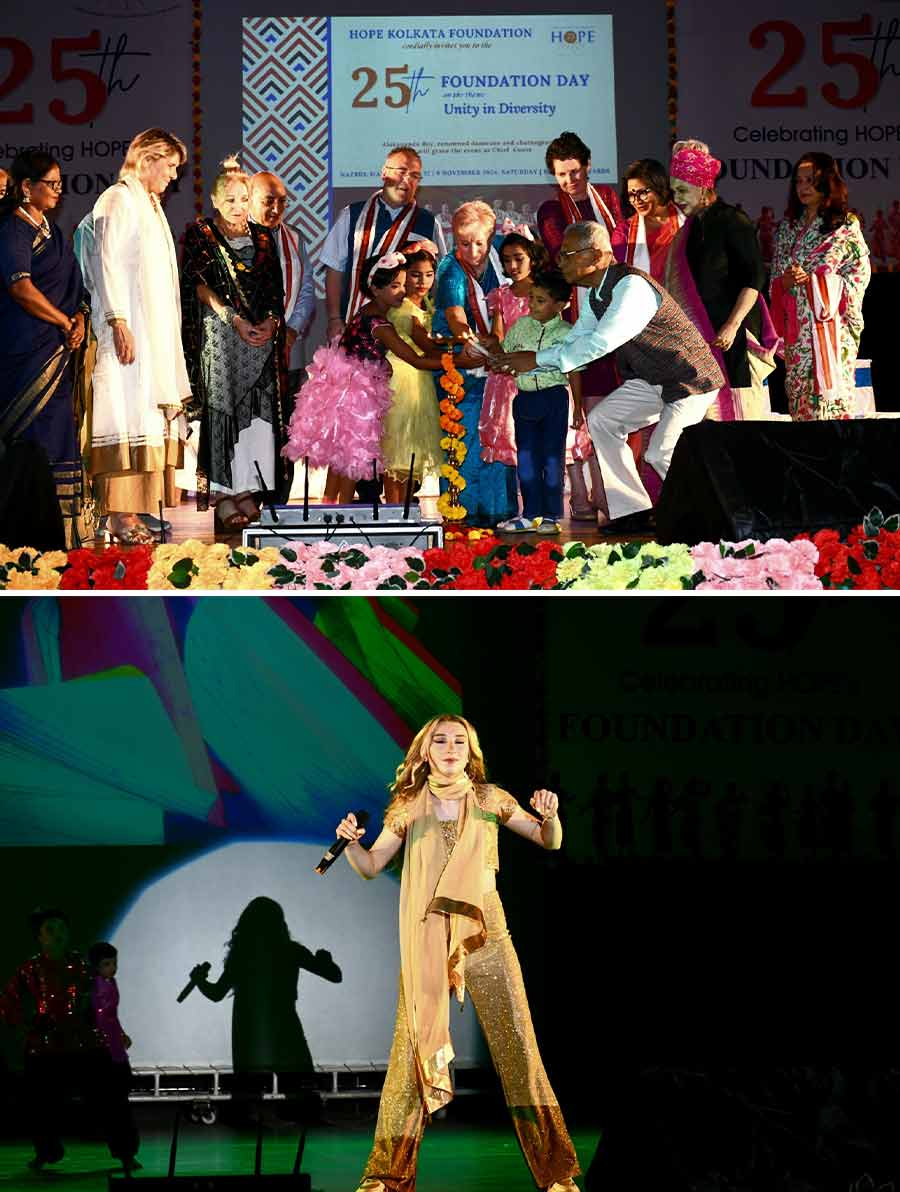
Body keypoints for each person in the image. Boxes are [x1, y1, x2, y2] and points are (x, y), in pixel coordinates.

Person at [334, 715, 580, 1192]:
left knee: (520, 1052)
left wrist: (551, 817)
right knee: (410, 1051)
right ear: (425, 751)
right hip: (427, 936)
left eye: (459, 741)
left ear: (472, 751)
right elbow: (370, 865)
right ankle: (385, 1176)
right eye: (440, 740)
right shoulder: (408, 806)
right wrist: (350, 844)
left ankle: (557, 1175)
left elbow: (548, 841)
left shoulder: (490, 799)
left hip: (487, 935)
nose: (450, 748)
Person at [493, 220, 724, 536]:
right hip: (652, 379)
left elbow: (600, 343)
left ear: (594, 256)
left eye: (566, 254)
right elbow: (579, 338)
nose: (559, 261)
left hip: (689, 379)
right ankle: (634, 511)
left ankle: (714, 516)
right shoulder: (593, 292)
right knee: (602, 420)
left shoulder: (632, 288)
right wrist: (525, 360)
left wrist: (536, 359)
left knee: (661, 451)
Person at [85, 128, 190, 544]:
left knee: (146, 415)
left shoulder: (149, 204)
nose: (173, 177)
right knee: (125, 414)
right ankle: (119, 514)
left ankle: (140, 507)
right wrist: (118, 320)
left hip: (153, 335)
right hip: (127, 333)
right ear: (148, 159)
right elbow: (105, 261)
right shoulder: (118, 199)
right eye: (170, 167)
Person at [283, 252, 445, 502]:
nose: (403, 291)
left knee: (342, 459)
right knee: (352, 460)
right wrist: (456, 361)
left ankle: (329, 506)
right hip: (356, 397)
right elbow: (415, 359)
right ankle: (343, 514)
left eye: (403, 284)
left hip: (344, 390)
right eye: (395, 286)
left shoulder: (366, 311)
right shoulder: (378, 323)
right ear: (375, 288)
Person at [181, 157, 289, 529]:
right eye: (229, 200)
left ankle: (248, 490)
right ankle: (225, 494)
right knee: (224, 413)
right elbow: (197, 286)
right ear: (214, 200)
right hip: (222, 336)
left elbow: (276, 289)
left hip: (258, 340)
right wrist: (235, 319)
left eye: (244, 199)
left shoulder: (263, 237)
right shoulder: (201, 234)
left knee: (256, 415)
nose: (238, 206)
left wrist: (272, 323)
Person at [0, 150, 88, 547]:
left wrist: (80, 320)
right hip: (25, 352)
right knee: (32, 438)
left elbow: (75, 287)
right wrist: (61, 320)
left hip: (57, 349)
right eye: (50, 184)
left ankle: (62, 535)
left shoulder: (52, 231)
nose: (58, 190)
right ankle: (28, 534)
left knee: (59, 433)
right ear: (26, 188)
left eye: (59, 183)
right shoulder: (13, 230)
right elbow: (20, 288)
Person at [0, 909, 129, 1173]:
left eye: (61, 929)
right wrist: (22, 1027)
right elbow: (8, 1000)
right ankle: (46, 1152)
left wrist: (116, 1033)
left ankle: (125, 1152)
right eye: (50, 929)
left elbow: (103, 1004)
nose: (57, 934)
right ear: (39, 936)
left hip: (84, 1044)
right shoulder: (30, 968)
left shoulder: (82, 966)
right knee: (40, 1104)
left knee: (109, 1099)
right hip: (45, 1046)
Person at [538, 131, 622, 522]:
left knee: (606, 407)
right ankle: (581, 499)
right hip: (576, 314)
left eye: (574, 171)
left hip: (616, 309)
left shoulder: (610, 197)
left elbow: (622, 243)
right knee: (575, 408)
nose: (569, 180)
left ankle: (610, 494)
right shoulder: (550, 211)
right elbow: (563, 255)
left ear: (587, 166)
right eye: (561, 174)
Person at [187, 897, 341, 1109]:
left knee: (249, 1094)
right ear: (279, 923)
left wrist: (199, 980)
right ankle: (304, 1119)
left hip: (248, 1028)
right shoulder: (291, 950)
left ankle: (247, 1124)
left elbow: (216, 993)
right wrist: (325, 960)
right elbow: (334, 975)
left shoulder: (242, 956)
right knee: (300, 1089)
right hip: (284, 1024)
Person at [668, 139, 773, 421]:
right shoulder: (690, 232)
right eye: (673, 190)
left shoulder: (732, 221)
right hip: (705, 342)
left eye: (682, 190)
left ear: (703, 187)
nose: (676, 197)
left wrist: (731, 325)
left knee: (742, 420)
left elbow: (754, 277)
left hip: (734, 338)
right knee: (710, 425)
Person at [432, 201, 518, 526]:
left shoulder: (500, 256)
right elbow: (455, 317)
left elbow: (507, 304)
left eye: (478, 242)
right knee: (465, 435)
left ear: (490, 236)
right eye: (464, 243)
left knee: (497, 432)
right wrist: (471, 341)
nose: (472, 250)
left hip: (494, 364)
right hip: (460, 364)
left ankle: (499, 511)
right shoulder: (448, 268)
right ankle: (461, 514)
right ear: (454, 238)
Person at [770, 154, 871, 421]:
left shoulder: (845, 225)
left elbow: (860, 276)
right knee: (802, 411)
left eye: (810, 181)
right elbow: (774, 283)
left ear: (827, 183)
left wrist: (819, 282)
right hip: (798, 337)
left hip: (832, 334)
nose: (803, 188)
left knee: (833, 411)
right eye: (798, 181)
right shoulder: (786, 230)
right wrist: (786, 283)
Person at [319, 146, 446, 342]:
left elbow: (438, 281)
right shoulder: (351, 215)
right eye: (401, 172)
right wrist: (334, 318)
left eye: (414, 176)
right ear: (384, 173)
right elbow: (334, 270)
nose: (407, 180)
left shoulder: (429, 222)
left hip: (407, 333)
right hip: (354, 325)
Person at [494, 268, 581, 535]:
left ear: (561, 305)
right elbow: (506, 357)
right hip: (524, 400)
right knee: (527, 458)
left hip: (554, 398)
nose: (531, 304)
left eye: (540, 300)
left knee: (553, 459)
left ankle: (551, 516)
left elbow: (575, 369)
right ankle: (530, 513)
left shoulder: (568, 332)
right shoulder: (521, 326)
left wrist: (579, 408)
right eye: (531, 298)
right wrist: (494, 357)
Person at [478, 231, 548, 469]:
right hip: (509, 376)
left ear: (532, 258)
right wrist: (490, 344)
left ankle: (566, 498)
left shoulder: (543, 292)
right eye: (507, 260)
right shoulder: (501, 294)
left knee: (544, 441)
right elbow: (498, 334)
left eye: (519, 258)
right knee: (516, 441)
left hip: (538, 371)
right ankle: (523, 501)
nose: (513, 265)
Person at [381, 242, 444, 503]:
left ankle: (403, 509)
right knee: (399, 448)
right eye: (416, 274)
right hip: (402, 380)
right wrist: (459, 354)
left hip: (420, 380)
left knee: (411, 449)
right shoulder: (403, 308)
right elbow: (426, 346)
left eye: (429, 274)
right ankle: (395, 510)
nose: (422, 281)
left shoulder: (427, 304)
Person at [249, 172, 316, 384]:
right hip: (247, 345)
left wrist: (292, 330)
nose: (276, 209)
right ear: (249, 199)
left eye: (282, 202)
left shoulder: (295, 237)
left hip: (289, 346)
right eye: (269, 201)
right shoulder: (234, 237)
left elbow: (306, 290)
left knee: (289, 414)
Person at [89, 942, 140, 1171]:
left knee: (119, 1103)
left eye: (114, 963)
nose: (112, 968)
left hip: (112, 1047)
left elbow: (111, 1017)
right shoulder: (97, 987)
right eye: (107, 964)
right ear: (96, 966)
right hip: (103, 1050)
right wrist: (114, 1037)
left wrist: (121, 1034)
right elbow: (101, 1018)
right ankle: (124, 1151)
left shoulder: (110, 983)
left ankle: (126, 1152)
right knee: (116, 1104)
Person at [612, 158, 684, 282]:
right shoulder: (624, 232)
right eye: (632, 195)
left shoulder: (686, 221)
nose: (637, 200)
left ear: (659, 187)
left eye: (642, 193)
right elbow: (618, 278)